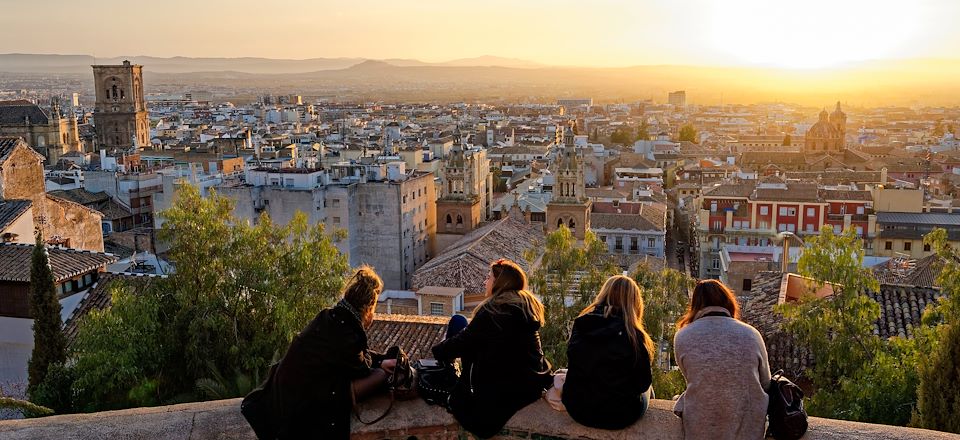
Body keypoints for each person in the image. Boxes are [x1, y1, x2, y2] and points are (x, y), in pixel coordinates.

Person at [262, 266, 396, 439]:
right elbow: (362, 369)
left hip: (285, 391)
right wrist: (381, 365)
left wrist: (377, 359)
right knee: (380, 375)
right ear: (368, 308)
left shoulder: (327, 317)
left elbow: (349, 357)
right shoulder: (349, 335)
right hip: (306, 400)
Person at [432, 258, 553, 438]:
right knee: (462, 326)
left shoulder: (493, 313)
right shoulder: (527, 310)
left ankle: (449, 369)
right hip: (529, 387)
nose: (485, 281)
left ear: (499, 283)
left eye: (488, 277)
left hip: (497, 393)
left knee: (458, 323)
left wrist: (438, 351)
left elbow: (458, 345)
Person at [673, 279, 771, 440]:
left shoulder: (683, 336)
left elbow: (693, 378)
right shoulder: (751, 334)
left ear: (695, 305)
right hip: (748, 428)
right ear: (728, 301)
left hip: (700, 427)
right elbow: (766, 383)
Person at [562, 275, 655, 430]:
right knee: (649, 389)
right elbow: (642, 382)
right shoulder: (633, 334)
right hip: (620, 415)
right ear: (634, 302)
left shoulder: (582, 323)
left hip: (578, 409)